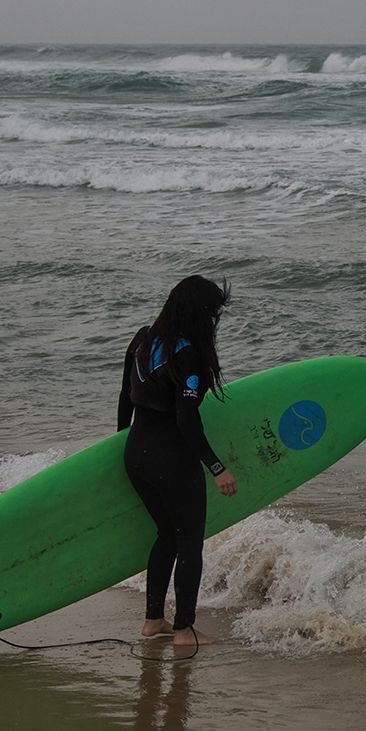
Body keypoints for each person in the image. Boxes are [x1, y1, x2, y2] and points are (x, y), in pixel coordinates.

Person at [118, 275, 236, 647]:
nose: (214, 320)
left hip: (136, 453)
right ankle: (184, 629)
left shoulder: (142, 337)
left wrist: (119, 445)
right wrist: (217, 467)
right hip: (172, 458)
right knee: (189, 543)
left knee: (167, 535)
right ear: (199, 313)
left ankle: (153, 620)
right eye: (213, 312)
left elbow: (125, 397)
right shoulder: (189, 355)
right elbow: (186, 419)